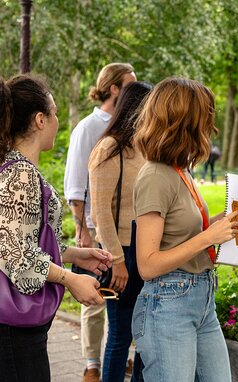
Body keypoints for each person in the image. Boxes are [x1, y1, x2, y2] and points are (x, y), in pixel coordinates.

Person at [131, 78, 238, 381]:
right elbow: (147, 264)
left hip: (200, 297)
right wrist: (208, 238)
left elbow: (188, 231)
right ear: (186, 122)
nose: (212, 126)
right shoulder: (155, 176)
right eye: (206, 117)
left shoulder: (180, 169)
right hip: (168, 303)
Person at [0, 74, 113, 382]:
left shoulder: (17, 170)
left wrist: (74, 254)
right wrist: (70, 279)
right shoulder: (21, 175)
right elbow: (17, 256)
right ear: (39, 119)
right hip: (13, 332)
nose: (57, 119)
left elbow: (21, 239)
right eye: (54, 112)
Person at [64, 62, 136, 382]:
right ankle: (93, 364)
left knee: (118, 303)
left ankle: (114, 358)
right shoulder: (88, 128)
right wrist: (84, 234)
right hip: (93, 228)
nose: (135, 92)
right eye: (129, 85)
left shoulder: (129, 128)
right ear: (114, 89)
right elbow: (76, 188)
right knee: (95, 298)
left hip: (120, 227)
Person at [89, 82, 152, 382]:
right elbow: (99, 211)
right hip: (121, 254)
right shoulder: (109, 147)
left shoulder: (144, 146)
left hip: (146, 252)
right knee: (120, 336)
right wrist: (116, 259)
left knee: (145, 335)